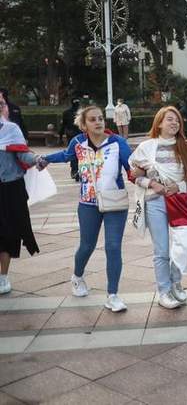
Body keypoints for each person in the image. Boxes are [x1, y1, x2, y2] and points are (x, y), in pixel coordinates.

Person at [41, 106, 132, 312]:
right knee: (86, 246)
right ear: (84, 125)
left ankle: (113, 295)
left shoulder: (117, 142)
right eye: (92, 119)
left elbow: (132, 167)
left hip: (114, 202)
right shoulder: (77, 142)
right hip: (88, 204)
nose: (98, 122)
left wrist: (148, 178)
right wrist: (44, 159)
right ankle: (77, 276)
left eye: (100, 118)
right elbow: (66, 155)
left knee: (113, 246)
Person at [130, 106, 187, 309]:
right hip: (155, 202)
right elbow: (133, 175)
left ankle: (175, 280)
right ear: (159, 123)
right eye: (170, 119)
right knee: (161, 250)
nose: (174, 123)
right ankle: (164, 291)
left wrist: (178, 187)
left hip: (180, 201)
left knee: (186, 246)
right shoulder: (146, 147)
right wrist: (152, 184)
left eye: (177, 120)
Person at [0, 97, 40, 294]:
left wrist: (37, 159)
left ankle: (3, 277)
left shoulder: (11, 129)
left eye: (1, 104)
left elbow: (23, 154)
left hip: (10, 188)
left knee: (7, 233)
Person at [60, 98, 82, 181]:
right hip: (76, 135)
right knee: (79, 153)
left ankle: (75, 170)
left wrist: (60, 136)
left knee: (73, 153)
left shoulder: (67, 113)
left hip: (72, 135)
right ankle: (76, 170)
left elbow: (63, 125)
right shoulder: (82, 113)